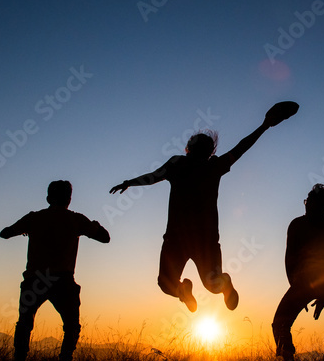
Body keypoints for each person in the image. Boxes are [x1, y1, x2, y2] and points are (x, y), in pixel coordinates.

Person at [110, 104, 295, 312]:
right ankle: (218, 285)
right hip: (203, 240)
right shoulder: (212, 167)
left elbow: (152, 177)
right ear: (209, 151)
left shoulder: (178, 164)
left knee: (165, 283)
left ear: (189, 147)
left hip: (177, 239)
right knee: (212, 285)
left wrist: (129, 182)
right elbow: (241, 148)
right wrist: (264, 127)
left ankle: (184, 290)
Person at [0, 180, 110, 361]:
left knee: (24, 323)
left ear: (49, 198)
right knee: (72, 327)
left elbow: (5, 233)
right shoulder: (76, 219)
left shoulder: (34, 218)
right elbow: (105, 238)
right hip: (63, 281)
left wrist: (25, 230)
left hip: (35, 279)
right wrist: (94, 225)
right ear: (69, 199)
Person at [272, 184, 324, 361]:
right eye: (306, 202)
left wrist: (322, 295)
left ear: (322, 206)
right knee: (280, 322)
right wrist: (296, 288)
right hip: (308, 283)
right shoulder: (299, 225)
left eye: (309, 202)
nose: (306, 205)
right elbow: (290, 259)